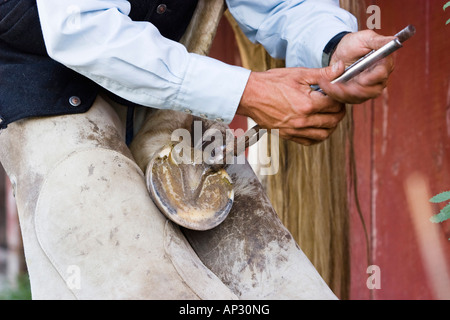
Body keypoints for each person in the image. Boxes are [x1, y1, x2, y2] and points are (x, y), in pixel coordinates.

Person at [0, 0, 394, 299]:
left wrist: (332, 41)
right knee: (144, 279)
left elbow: (279, 4)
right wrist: (248, 91)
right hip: (49, 90)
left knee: (281, 282)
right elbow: (82, 29)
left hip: (170, 99)